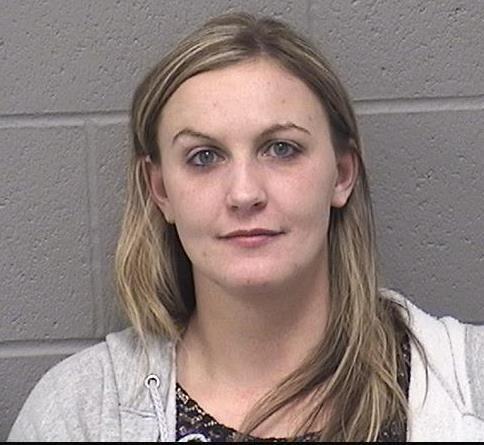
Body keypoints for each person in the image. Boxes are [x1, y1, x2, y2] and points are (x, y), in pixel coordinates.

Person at [8, 12, 484, 442]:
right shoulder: (78, 415)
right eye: (204, 157)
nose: (244, 193)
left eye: (281, 149)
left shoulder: (470, 387)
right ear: (161, 190)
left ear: (341, 175)